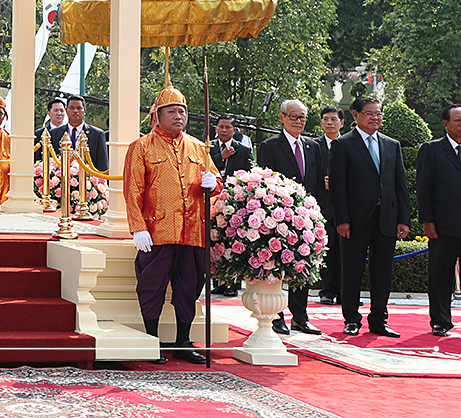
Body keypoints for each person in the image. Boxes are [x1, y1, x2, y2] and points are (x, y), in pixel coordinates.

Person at [123, 79, 221, 365]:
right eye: (172, 112)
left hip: (193, 231)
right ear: (157, 116)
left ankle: (183, 341)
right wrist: (138, 227)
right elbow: (132, 190)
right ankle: (151, 340)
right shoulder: (141, 147)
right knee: (151, 286)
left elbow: (217, 185)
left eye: (182, 112)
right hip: (157, 231)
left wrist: (213, 183)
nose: (179, 117)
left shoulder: (198, 147)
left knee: (189, 287)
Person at [330, 96, 411, 338]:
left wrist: (403, 219)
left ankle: (378, 319)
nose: (375, 118)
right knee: (352, 269)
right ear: (355, 116)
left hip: (386, 216)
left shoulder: (391, 144)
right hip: (354, 220)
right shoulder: (343, 145)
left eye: (379, 114)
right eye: (370, 113)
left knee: (382, 270)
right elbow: (337, 187)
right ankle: (351, 319)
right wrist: (342, 219)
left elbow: (400, 184)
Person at [256, 100, 322, 336]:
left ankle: (300, 316)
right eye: (294, 117)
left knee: (302, 265)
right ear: (282, 117)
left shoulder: (313, 147)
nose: (298, 122)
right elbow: (264, 181)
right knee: (276, 266)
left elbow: (318, 182)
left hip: (306, 218)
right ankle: (276, 316)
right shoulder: (270, 146)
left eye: (303, 117)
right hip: (278, 217)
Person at [416, 104, 461, 337]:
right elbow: (423, 188)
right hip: (443, 226)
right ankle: (440, 321)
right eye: (458, 120)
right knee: (440, 276)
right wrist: (427, 221)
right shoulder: (431, 149)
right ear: (446, 124)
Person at [208, 114, 252, 297]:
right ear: (216, 129)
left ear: (234, 130)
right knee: (215, 239)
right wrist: (220, 157)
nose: (224, 130)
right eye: (221, 127)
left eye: (228, 127)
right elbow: (204, 168)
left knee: (233, 240)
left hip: (234, 201)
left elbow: (249, 175)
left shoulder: (243, 149)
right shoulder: (208, 148)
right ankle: (218, 281)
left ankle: (233, 283)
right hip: (213, 199)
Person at [314, 105, 346, 305]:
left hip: (345, 207)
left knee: (346, 252)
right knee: (327, 249)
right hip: (322, 205)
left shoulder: (350, 144)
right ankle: (326, 291)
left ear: (341, 123)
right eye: (326, 119)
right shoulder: (314, 146)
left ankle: (346, 293)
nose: (329, 123)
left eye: (334, 119)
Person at [61, 95, 109, 173]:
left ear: (85, 111)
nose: (75, 111)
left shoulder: (97, 134)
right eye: (72, 108)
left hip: (89, 180)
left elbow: (102, 164)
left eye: (79, 108)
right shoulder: (55, 133)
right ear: (66, 110)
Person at [34, 98, 69, 163]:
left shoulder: (69, 132)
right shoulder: (39, 133)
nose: (59, 113)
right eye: (56, 110)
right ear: (49, 113)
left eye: (62, 110)